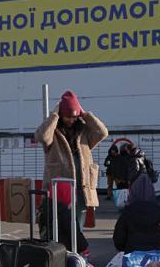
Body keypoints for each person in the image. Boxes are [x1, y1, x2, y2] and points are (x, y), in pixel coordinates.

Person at [35, 90, 108, 231]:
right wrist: (54, 115)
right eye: (67, 117)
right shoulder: (53, 132)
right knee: (59, 227)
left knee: (77, 228)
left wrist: (85, 114)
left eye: (74, 116)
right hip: (59, 190)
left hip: (81, 189)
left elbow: (102, 132)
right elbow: (42, 137)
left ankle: (75, 252)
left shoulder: (85, 130)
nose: (71, 120)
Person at [113, 174, 160, 253]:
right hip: (155, 254)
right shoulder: (158, 211)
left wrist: (124, 248)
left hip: (132, 254)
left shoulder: (128, 212)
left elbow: (119, 238)